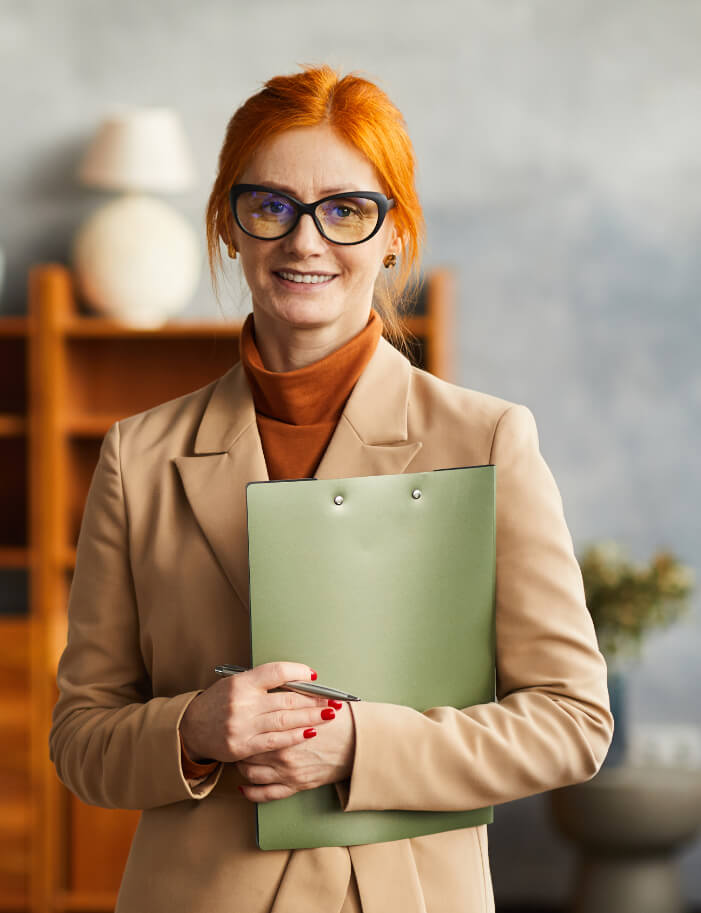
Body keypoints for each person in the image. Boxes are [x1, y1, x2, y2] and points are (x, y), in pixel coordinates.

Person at [49, 64, 613, 913]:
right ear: (230, 228)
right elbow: (80, 739)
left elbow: (573, 721)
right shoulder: (140, 456)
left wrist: (360, 744)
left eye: (345, 209)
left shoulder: (487, 440)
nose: (303, 241)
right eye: (269, 205)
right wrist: (192, 732)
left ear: (394, 235)